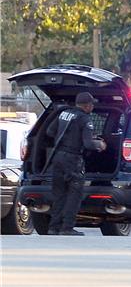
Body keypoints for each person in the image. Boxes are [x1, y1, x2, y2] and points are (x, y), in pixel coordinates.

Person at [45, 92, 107, 235]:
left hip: (57, 157)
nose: (92, 107)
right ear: (87, 106)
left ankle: (53, 228)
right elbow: (88, 144)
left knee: (59, 194)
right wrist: (100, 144)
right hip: (73, 160)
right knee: (74, 194)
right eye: (91, 105)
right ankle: (67, 228)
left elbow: (49, 131)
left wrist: (66, 138)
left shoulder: (64, 113)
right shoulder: (85, 119)